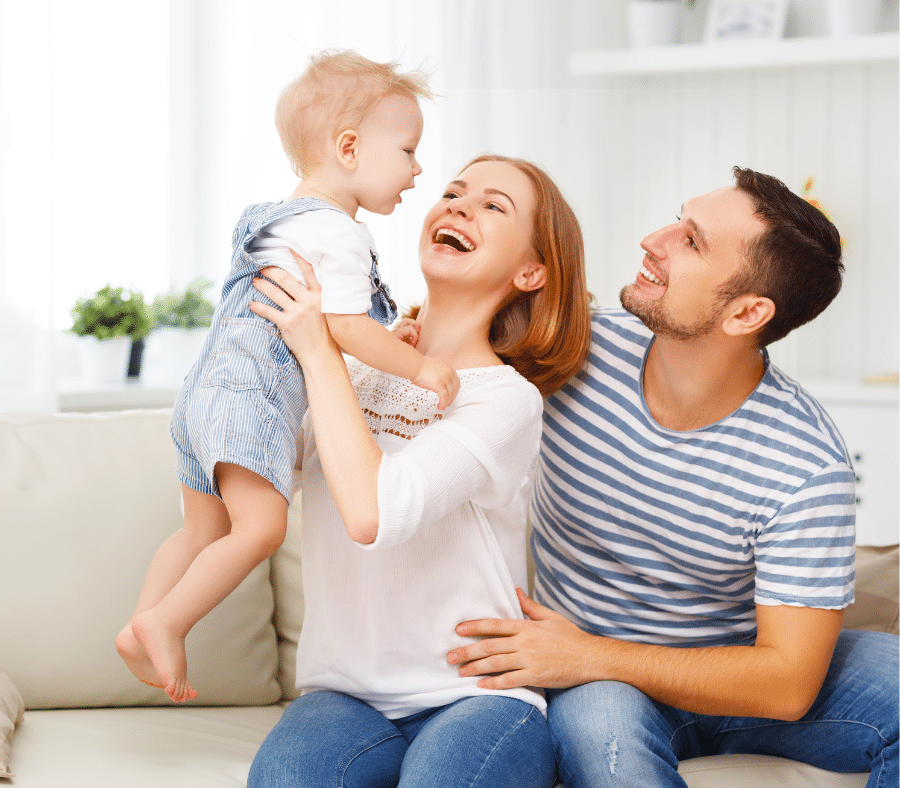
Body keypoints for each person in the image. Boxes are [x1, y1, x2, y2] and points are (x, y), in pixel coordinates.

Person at [448, 167, 898, 787]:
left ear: (746, 312)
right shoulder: (571, 350)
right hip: (601, 684)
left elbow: (790, 683)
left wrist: (584, 652)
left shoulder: (807, 465)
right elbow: (445, 331)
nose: (652, 240)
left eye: (690, 241)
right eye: (677, 219)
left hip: (723, 670)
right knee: (604, 737)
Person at [116, 50, 459, 703]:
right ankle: (165, 620)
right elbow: (346, 331)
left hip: (201, 396)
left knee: (201, 531)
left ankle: (140, 621)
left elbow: (318, 325)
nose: (419, 169)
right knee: (262, 529)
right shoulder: (341, 233)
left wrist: (386, 338)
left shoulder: (273, 216)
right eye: (409, 151)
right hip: (249, 400)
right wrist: (420, 365)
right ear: (350, 148)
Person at [245, 154, 593, 788]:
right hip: (345, 695)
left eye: (494, 206)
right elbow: (258, 467)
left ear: (531, 270)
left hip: (477, 695)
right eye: (454, 192)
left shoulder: (505, 398)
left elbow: (376, 513)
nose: (459, 205)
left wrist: (321, 348)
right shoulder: (352, 366)